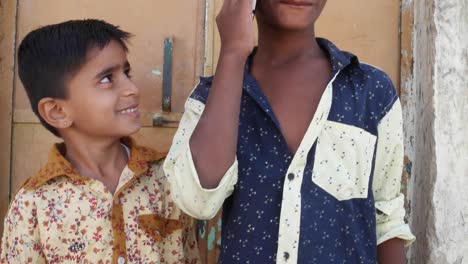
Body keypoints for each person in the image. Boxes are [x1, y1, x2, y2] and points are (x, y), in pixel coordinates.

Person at [164, 0, 415, 263]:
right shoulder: (213, 97)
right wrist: (232, 52)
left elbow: (386, 220)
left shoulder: (370, 91)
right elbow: (197, 200)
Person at [0, 19, 200, 263]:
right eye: (107, 79)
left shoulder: (166, 178)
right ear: (57, 112)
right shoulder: (34, 204)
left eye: (126, 73)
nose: (132, 88)